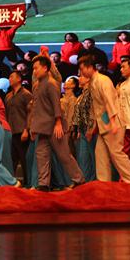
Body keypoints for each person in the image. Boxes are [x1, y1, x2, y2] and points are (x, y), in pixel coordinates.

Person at [77, 55, 130, 183]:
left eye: (82, 69)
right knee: (100, 155)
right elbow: (96, 109)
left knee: (117, 154)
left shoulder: (103, 80)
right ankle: (104, 184)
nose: (81, 72)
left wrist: (113, 122)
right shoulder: (93, 82)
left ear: (89, 67)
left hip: (113, 123)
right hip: (104, 125)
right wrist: (93, 128)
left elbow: (110, 101)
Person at [29, 56, 84, 191]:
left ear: (45, 68)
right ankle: (43, 184)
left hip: (54, 126)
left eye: (36, 68)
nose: (34, 71)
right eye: (33, 69)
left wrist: (58, 123)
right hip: (42, 127)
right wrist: (33, 127)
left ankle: (79, 180)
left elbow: (56, 105)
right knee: (41, 155)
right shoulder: (36, 85)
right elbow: (36, 108)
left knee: (64, 155)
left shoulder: (51, 84)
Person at [5, 71, 32, 186]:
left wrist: (26, 129)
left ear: (19, 79)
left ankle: (28, 182)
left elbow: (30, 113)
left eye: (12, 77)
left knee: (24, 158)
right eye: (9, 77)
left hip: (22, 131)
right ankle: (11, 182)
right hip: (11, 131)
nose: (10, 79)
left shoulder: (26, 94)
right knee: (11, 159)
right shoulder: (8, 96)